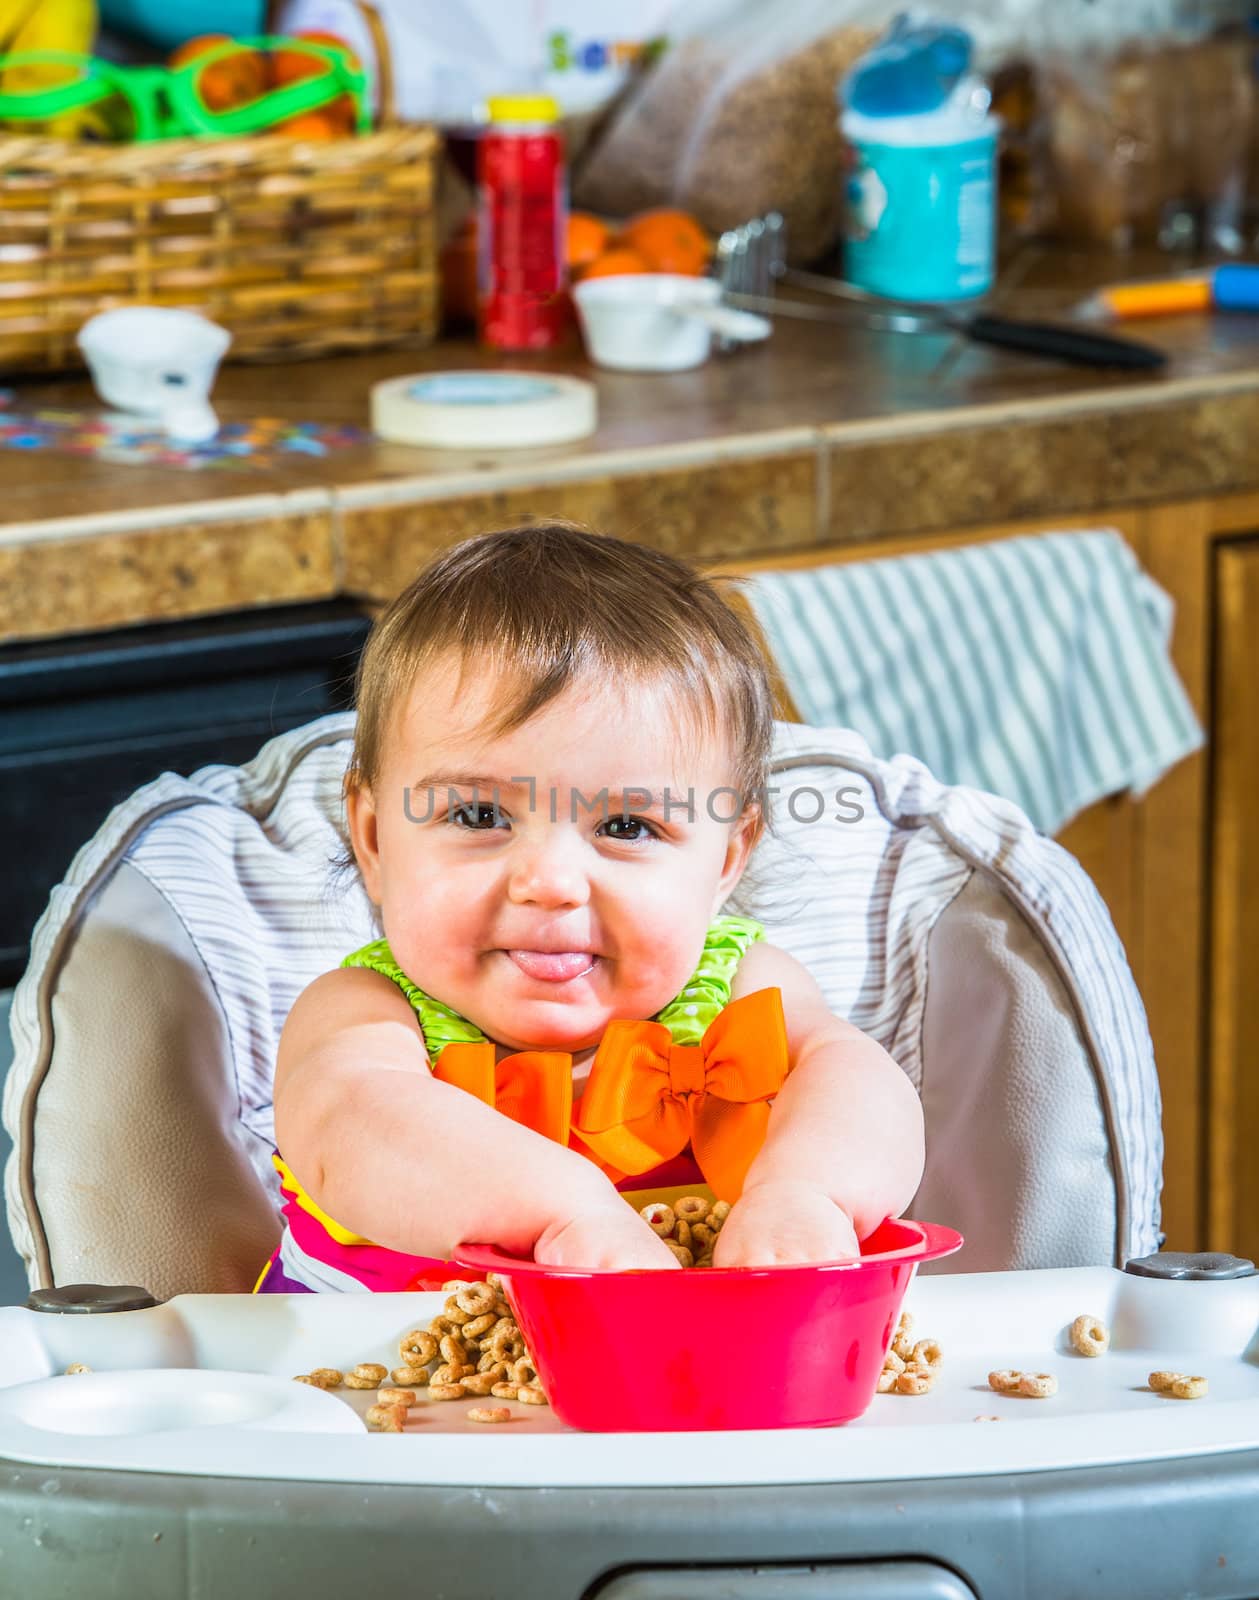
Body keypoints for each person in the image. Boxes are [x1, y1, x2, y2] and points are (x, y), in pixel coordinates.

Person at [255, 522, 924, 1293]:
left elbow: (856, 1081)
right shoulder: (364, 1014)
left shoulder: (737, 986)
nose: (550, 882)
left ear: (726, 861)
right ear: (373, 840)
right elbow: (354, 1125)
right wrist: (567, 1214)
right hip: (367, 1393)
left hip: (700, 1396)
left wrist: (807, 1193)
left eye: (627, 826)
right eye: (479, 817)